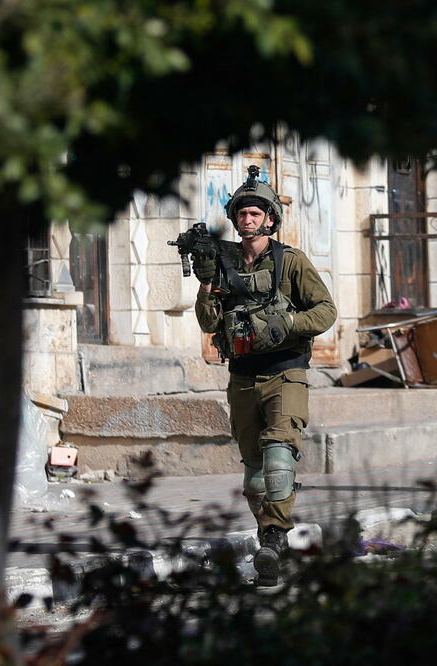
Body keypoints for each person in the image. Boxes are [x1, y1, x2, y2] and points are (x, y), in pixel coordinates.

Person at [192, 167, 336, 586]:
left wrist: (287, 325)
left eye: (255, 213)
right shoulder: (224, 263)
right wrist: (205, 285)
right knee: (255, 477)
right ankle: (272, 543)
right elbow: (206, 322)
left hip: (285, 373)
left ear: (270, 218)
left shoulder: (290, 261)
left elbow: (325, 311)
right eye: (242, 213)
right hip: (241, 376)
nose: (248, 220)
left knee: (278, 458)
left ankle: (273, 538)